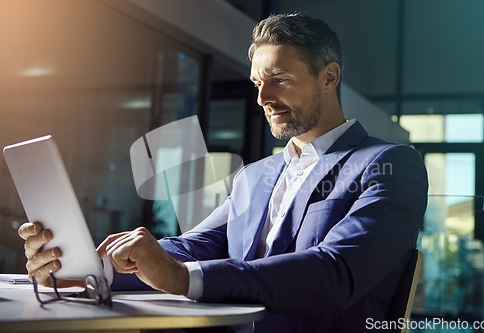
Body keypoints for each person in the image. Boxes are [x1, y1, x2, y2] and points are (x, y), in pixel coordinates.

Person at [18, 13, 428, 332]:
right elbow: (194, 248)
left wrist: (181, 278)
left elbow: (335, 272)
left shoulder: (388, 164)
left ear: (329, 77)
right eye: (257, 84)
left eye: (279, 80)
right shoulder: (257, 176)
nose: (263, 98)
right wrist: (95, 268)